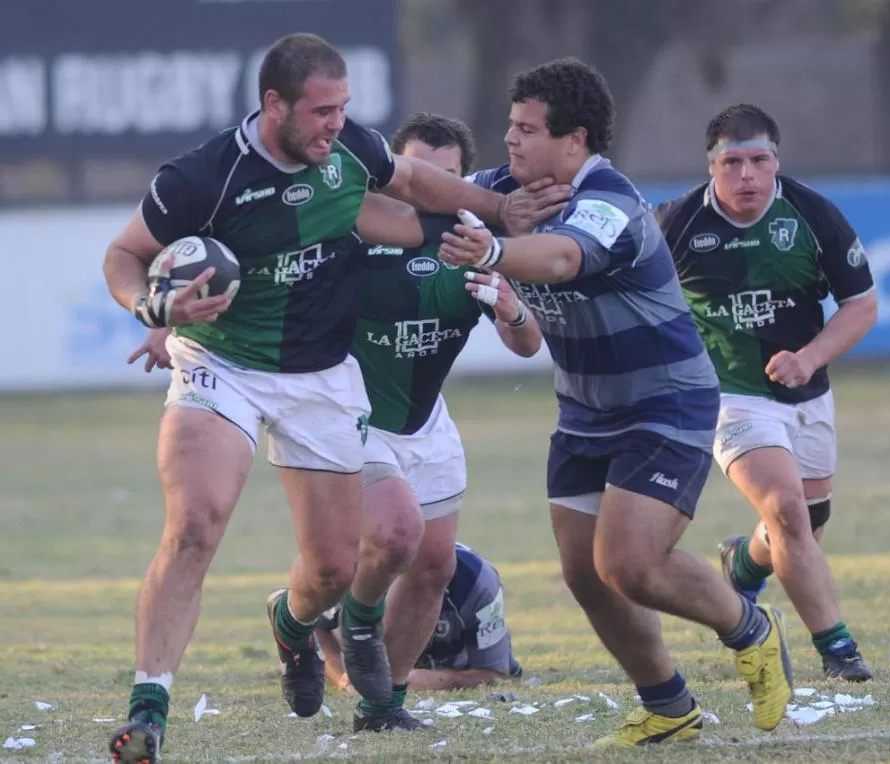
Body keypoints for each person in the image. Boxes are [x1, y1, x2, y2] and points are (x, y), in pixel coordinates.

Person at [104, 32, 566, 764]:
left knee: (331, 569)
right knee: (195, 523)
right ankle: (148, 710)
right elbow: (124, 256)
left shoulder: (350, 149)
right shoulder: (202, 178)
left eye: (343, 108)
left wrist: (494, 209)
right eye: (321, 111)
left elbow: (413, 183)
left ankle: (293, 627)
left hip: (321, 377)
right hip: (221, 363)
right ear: (273, 104)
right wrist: (151, 310)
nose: (335, 124)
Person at [438, 58, 794, 749]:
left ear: (574, 141)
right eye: (510, 126)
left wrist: (492, 247)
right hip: (585, 412)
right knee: (585, 573)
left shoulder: (611, 202)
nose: (509, 141)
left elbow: (563, 260)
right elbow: (432, 192)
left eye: (526, 129)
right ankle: (667, 706)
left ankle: (749, 626)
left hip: (668, 405)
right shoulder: (503, 190)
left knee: (629, 563)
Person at [298, 112, 542, 732]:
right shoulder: (350, 235)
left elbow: (528, 345)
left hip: (427, 421)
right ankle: (316, 622)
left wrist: (513, 312)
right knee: (389, 541)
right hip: (354, 417)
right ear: (395, 176)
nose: (435, 189)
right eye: (420, 176)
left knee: (433, 565)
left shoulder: (476, 241)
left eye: (450, 177)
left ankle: (384, 704)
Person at [654, 103, 877, 682]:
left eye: (759, 160)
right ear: (712, 167)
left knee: (806, 521)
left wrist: (809, 358)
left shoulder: (811, 214)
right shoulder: (675, 225)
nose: (747, 175)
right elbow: (626, 290)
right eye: (733, 162)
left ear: (776, 161)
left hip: (808, 394)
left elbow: (862, 305)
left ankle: (744, 566)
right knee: (784, 509)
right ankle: (839, 650)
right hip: (727, 396)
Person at [316, 542, 523, 694]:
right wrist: (343, 677)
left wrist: (437, 680)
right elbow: (318, 626)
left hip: (451, 663)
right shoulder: (356, 570)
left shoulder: (477, 583)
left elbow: (495, 673)